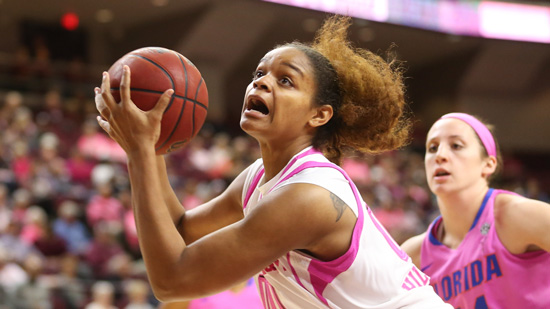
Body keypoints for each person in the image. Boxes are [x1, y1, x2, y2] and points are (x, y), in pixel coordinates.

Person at [94, 15, 451, 308]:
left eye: (285, 80)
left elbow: (173, 281)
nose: (262, 84)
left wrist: (141, 151)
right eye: (259, 74)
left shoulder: (307, 197)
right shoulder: (260, 178)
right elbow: (182, 232)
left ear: (319, 115)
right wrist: (148, 146)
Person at [401, 112, 550, 308]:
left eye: (456, 146)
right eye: (432, 148)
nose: (440, 156)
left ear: (488, 164)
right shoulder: (414, 256)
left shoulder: (517, 215)